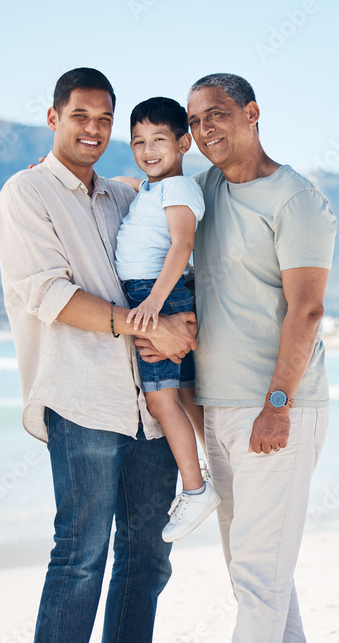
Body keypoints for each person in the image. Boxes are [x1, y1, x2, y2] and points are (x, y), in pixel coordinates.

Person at [0, 67, 194, 643]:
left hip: (145, 403)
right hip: (80, 397)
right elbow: (47, 293)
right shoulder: (25, 192)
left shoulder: (119, 194)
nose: (94, 130)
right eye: (80, 116)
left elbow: (176, 206)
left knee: (148, 555)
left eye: (104, 119)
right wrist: (152, 326)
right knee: (79, 556)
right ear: (53, 118)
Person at [152, 73, 336, 643]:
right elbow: (147, 200)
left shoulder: (297, 200)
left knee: (258, 570)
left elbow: (307, 309)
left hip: (276, 411)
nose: (205, 131)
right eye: (196, 122)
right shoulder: (203, 190)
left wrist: (278, 404)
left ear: (253, 114)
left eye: (218, 116)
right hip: (219, 408)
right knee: (255, 568)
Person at [112, 96, 220, 542]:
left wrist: (154, 303)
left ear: (184, 142)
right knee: (186, 390)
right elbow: (127, 182)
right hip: (157, 294)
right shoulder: (153, 187)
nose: (147, 149)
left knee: (161, 401)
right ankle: (212, 463)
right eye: (138, 141)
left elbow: (181, 245)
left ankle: (195, 490)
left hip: (156, 294)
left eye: (159, 140)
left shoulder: (177, 189)